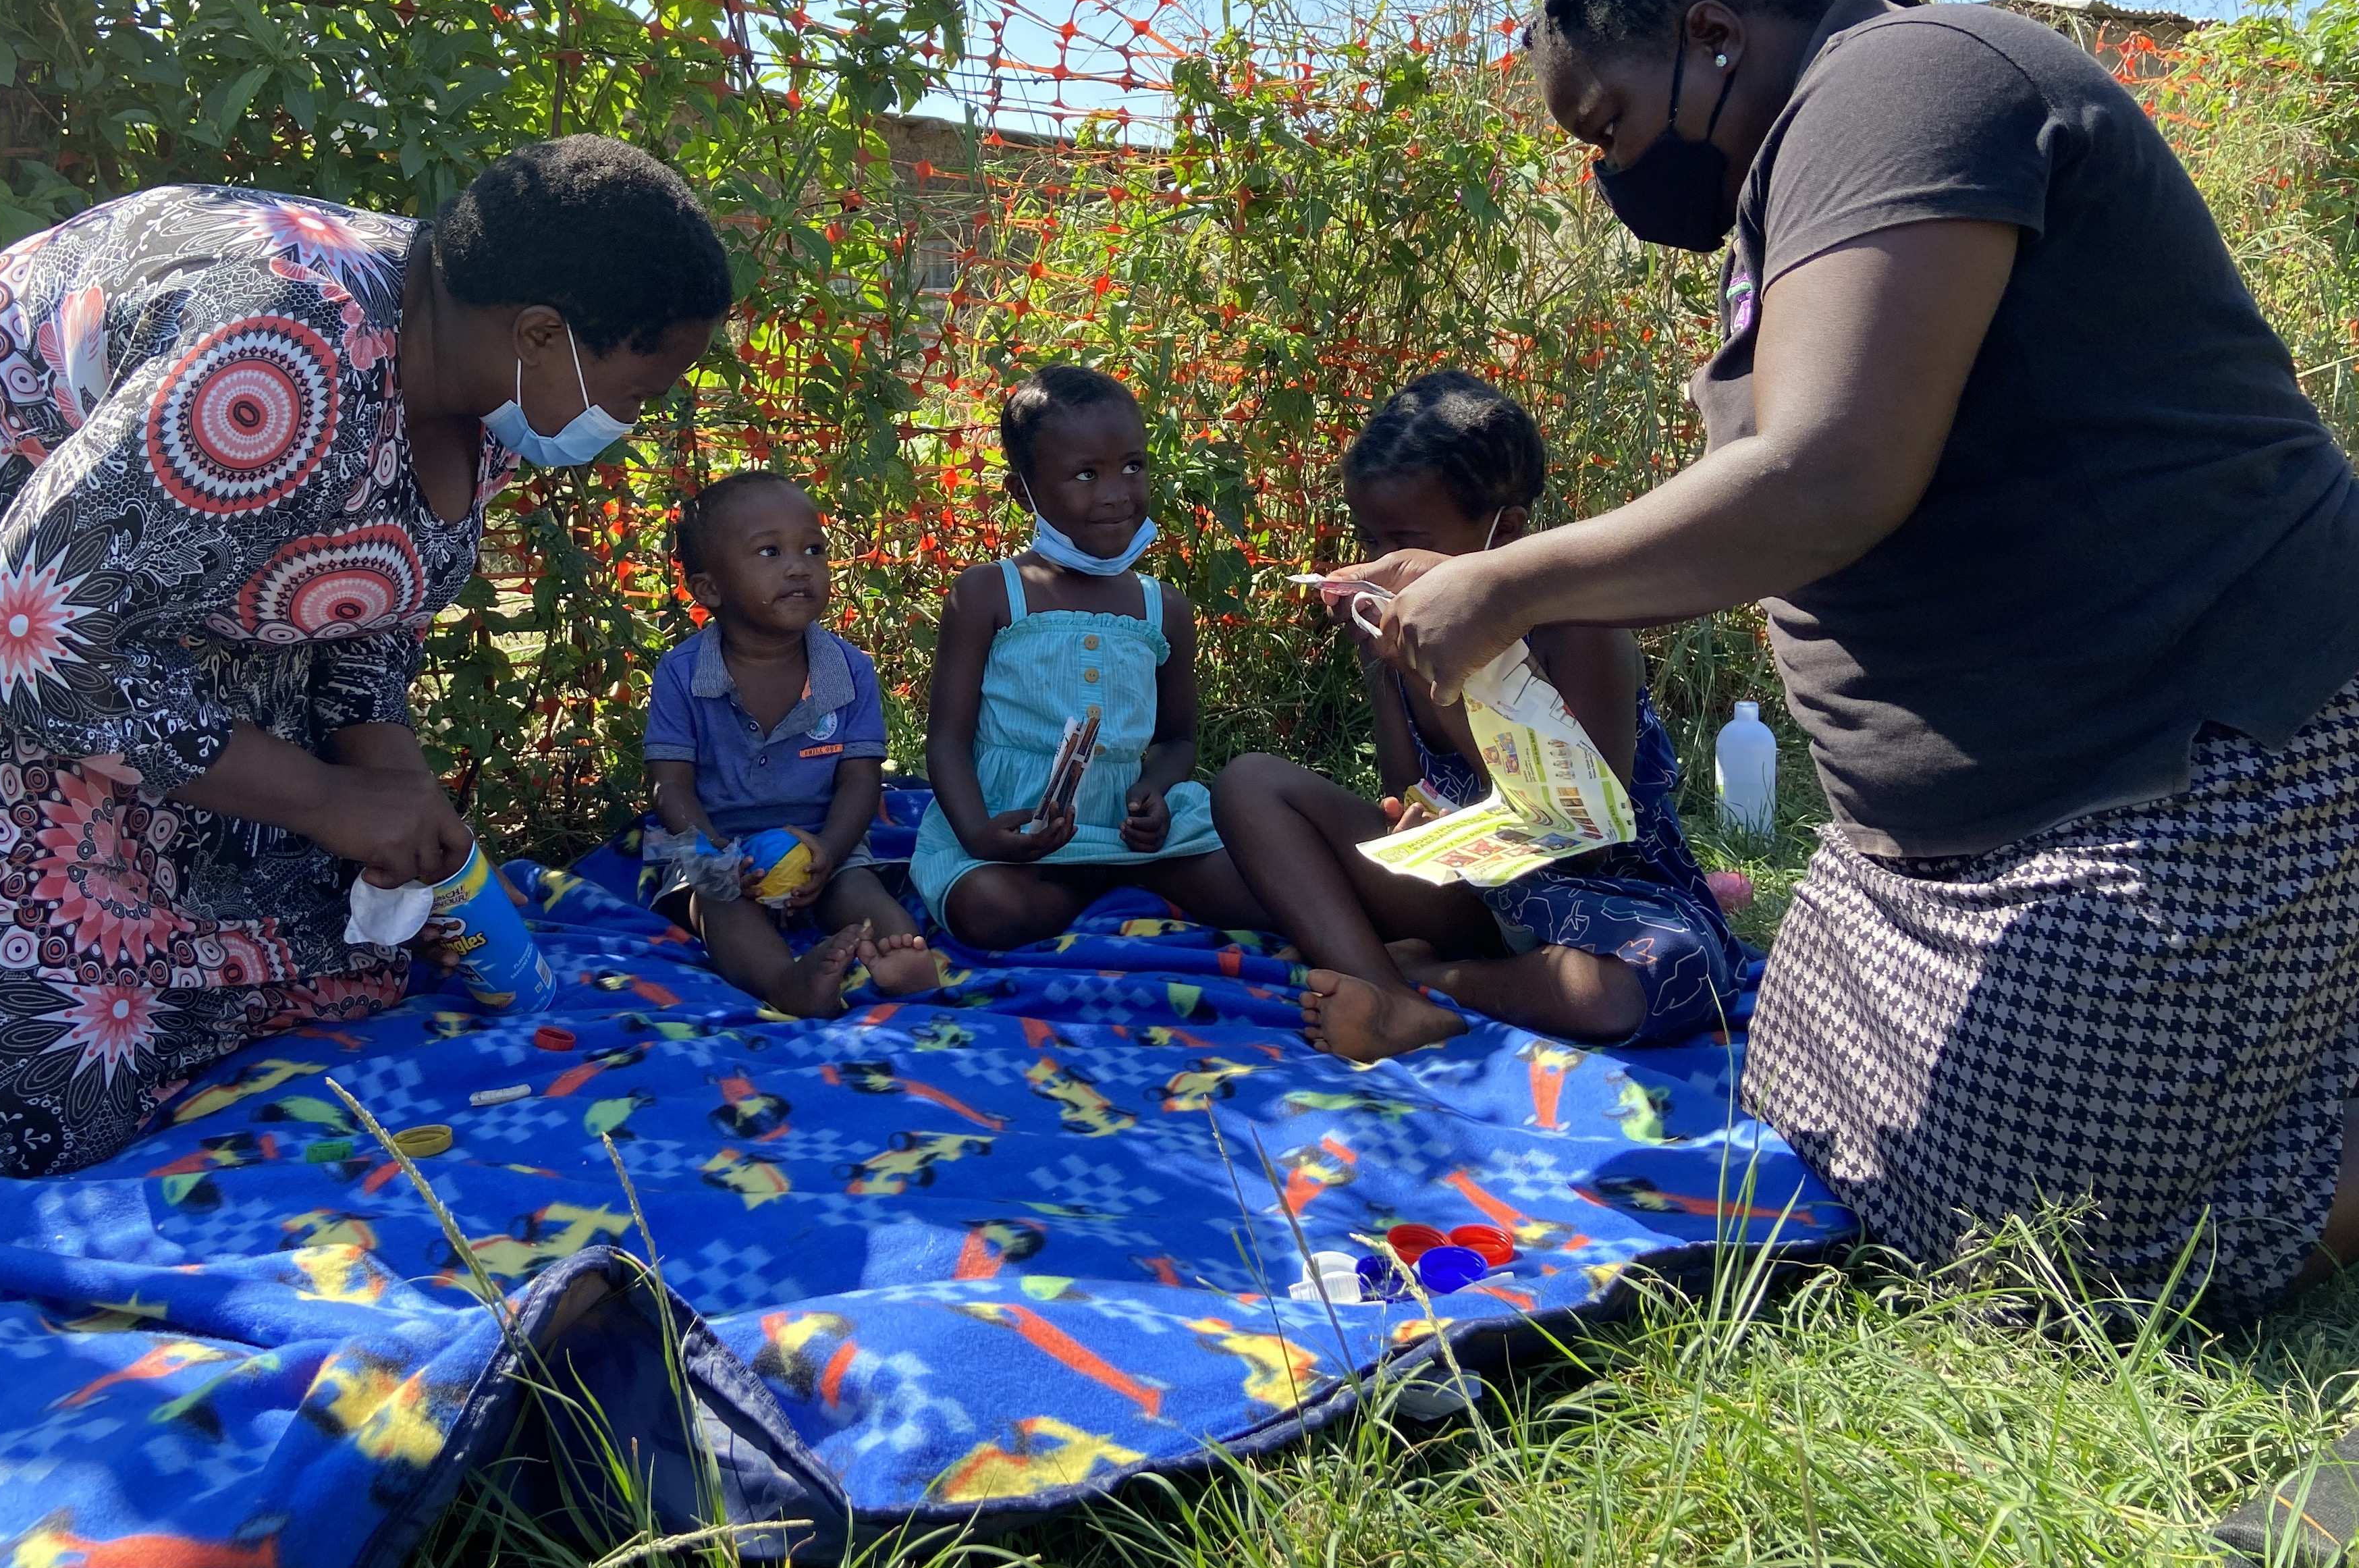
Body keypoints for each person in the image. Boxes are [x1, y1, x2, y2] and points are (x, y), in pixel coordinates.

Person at [1343, 0, 2359, 1320]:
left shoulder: (1906, 82)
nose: (1608, 170)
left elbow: (1825, 475)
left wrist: (1506, 578)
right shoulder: (1809, 165)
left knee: (2038, 1258)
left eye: (1607, 124)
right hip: (1954, 836)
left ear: (1712, 34)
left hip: (2184, 754)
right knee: (1814, 1117)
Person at [0, 136, 734, 1176]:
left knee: (327, 957)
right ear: (540, 334)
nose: (640, 421)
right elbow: (20, 639)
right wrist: (325, 798)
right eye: (641, 391)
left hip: (89, 635)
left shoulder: (475, 376)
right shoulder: (283, 348)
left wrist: (393, 782)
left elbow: (360, 610)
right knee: (25, 1096)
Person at [1213, 371, 1744, 1060]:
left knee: (1661, 971)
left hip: (1600, 899)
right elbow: (1410, 787)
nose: (1379, 567)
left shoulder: (1581, 628)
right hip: (1470, 892)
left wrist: (1446, 675)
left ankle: (1436, 979)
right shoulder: (1393, 630)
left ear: (1506, 532)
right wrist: (1414, 807)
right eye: (1369, 542)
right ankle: (1392, 1000)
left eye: (1404, 543)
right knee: (1249, 784)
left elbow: (1587, 835)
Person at [909, 364, 1268, 949]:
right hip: (1013, 826)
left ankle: (1104, 880)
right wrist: (978, 836)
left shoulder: (1162, 607)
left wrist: (1154, 793)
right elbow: (947, 742)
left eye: (1133, 466)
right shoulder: (988, 594)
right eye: (1085, 474)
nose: (1116, 493)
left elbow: (1177, 740)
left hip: (1129, 837)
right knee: (988, 908)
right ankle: (1092, 887)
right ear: (1022, 492)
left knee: (1266, 887)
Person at [642, 469, 939, 1015]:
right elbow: (670, 787)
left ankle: (902, 962)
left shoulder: (849, 670)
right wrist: (718, 855)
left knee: (862, 895)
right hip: (719, 844)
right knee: (718, 905)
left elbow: (860, 780)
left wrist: (830, 851)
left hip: (823, 837)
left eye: (813, 549)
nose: (800, 566)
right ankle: (787, 982)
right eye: (770, 552)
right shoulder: (681, 674)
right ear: (710, 590)